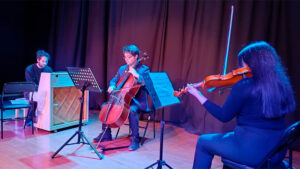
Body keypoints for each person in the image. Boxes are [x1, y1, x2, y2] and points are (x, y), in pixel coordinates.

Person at [187, 41, 296, 169]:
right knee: (227, 137)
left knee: (203, 142)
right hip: (276, 151)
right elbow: (255, 101)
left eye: (243, 63)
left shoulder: (244, 86)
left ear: (253, 64)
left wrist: (198, 95)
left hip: (251, 151)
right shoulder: (281, 84)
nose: (241, 69)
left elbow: (223, 116)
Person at [94, 44, 150, 151]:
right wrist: (112, 85)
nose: (126, 59)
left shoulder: (144, 69)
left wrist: (136, 75)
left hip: (137, 101)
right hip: (122, 98)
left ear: (136, 56)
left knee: (132, 110)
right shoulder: (122, 69)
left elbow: (147, 84)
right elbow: (114, 80)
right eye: (125, 57)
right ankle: (106, 134)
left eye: (129, 57)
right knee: (105, 105)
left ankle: (135, 139)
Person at [24, 49, 53, 125]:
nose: (45, 63)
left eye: (46, 61)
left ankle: (46, 119)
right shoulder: (29, 69)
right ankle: (29, 120)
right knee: (36, 97)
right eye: (43, 61)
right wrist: (43, 89)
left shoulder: (48, 69)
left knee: (50, 97)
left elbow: (51, 81)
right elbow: (31, 84)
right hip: (31, 90)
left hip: (44, 90)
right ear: (38, 60)